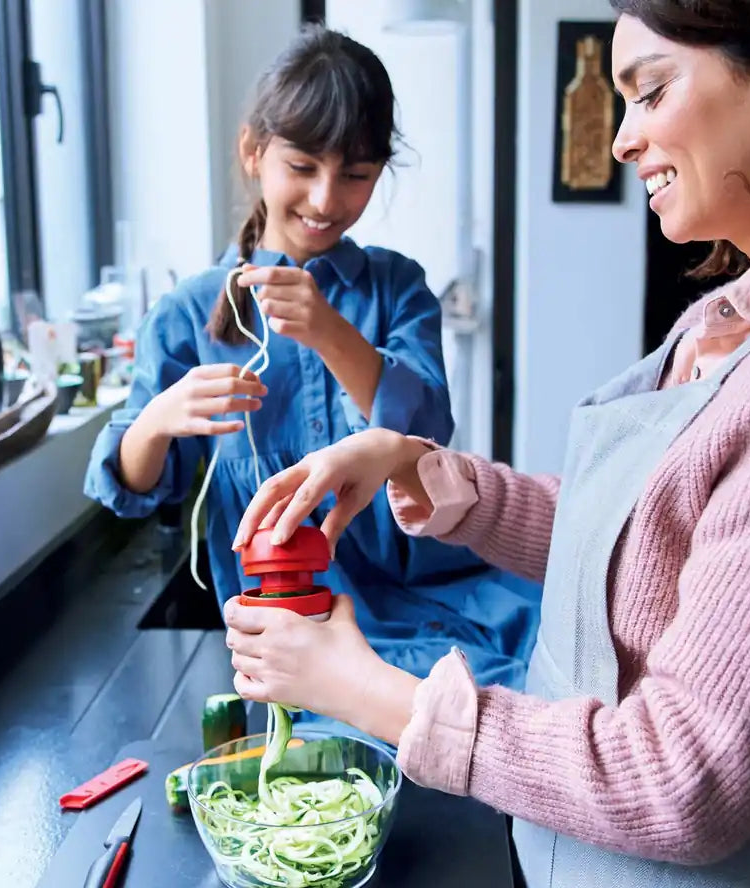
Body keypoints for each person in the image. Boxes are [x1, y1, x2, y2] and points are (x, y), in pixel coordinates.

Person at [225, 2, 750, 885]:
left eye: (650, 92)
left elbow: (689, 780)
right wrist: (424, 472)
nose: (622, 141)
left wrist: (364, 690)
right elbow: (641, 540)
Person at [84, 26, 541, 705]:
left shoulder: (395, 287)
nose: (327, 200)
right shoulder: (189, 311)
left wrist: (330, 331)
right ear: (253, 152)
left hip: (427, 587)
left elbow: (424, 430)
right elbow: (134, 487)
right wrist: (154, 422)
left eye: (355, 175)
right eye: (303, 167)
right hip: (288, 613)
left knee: (536, 679)